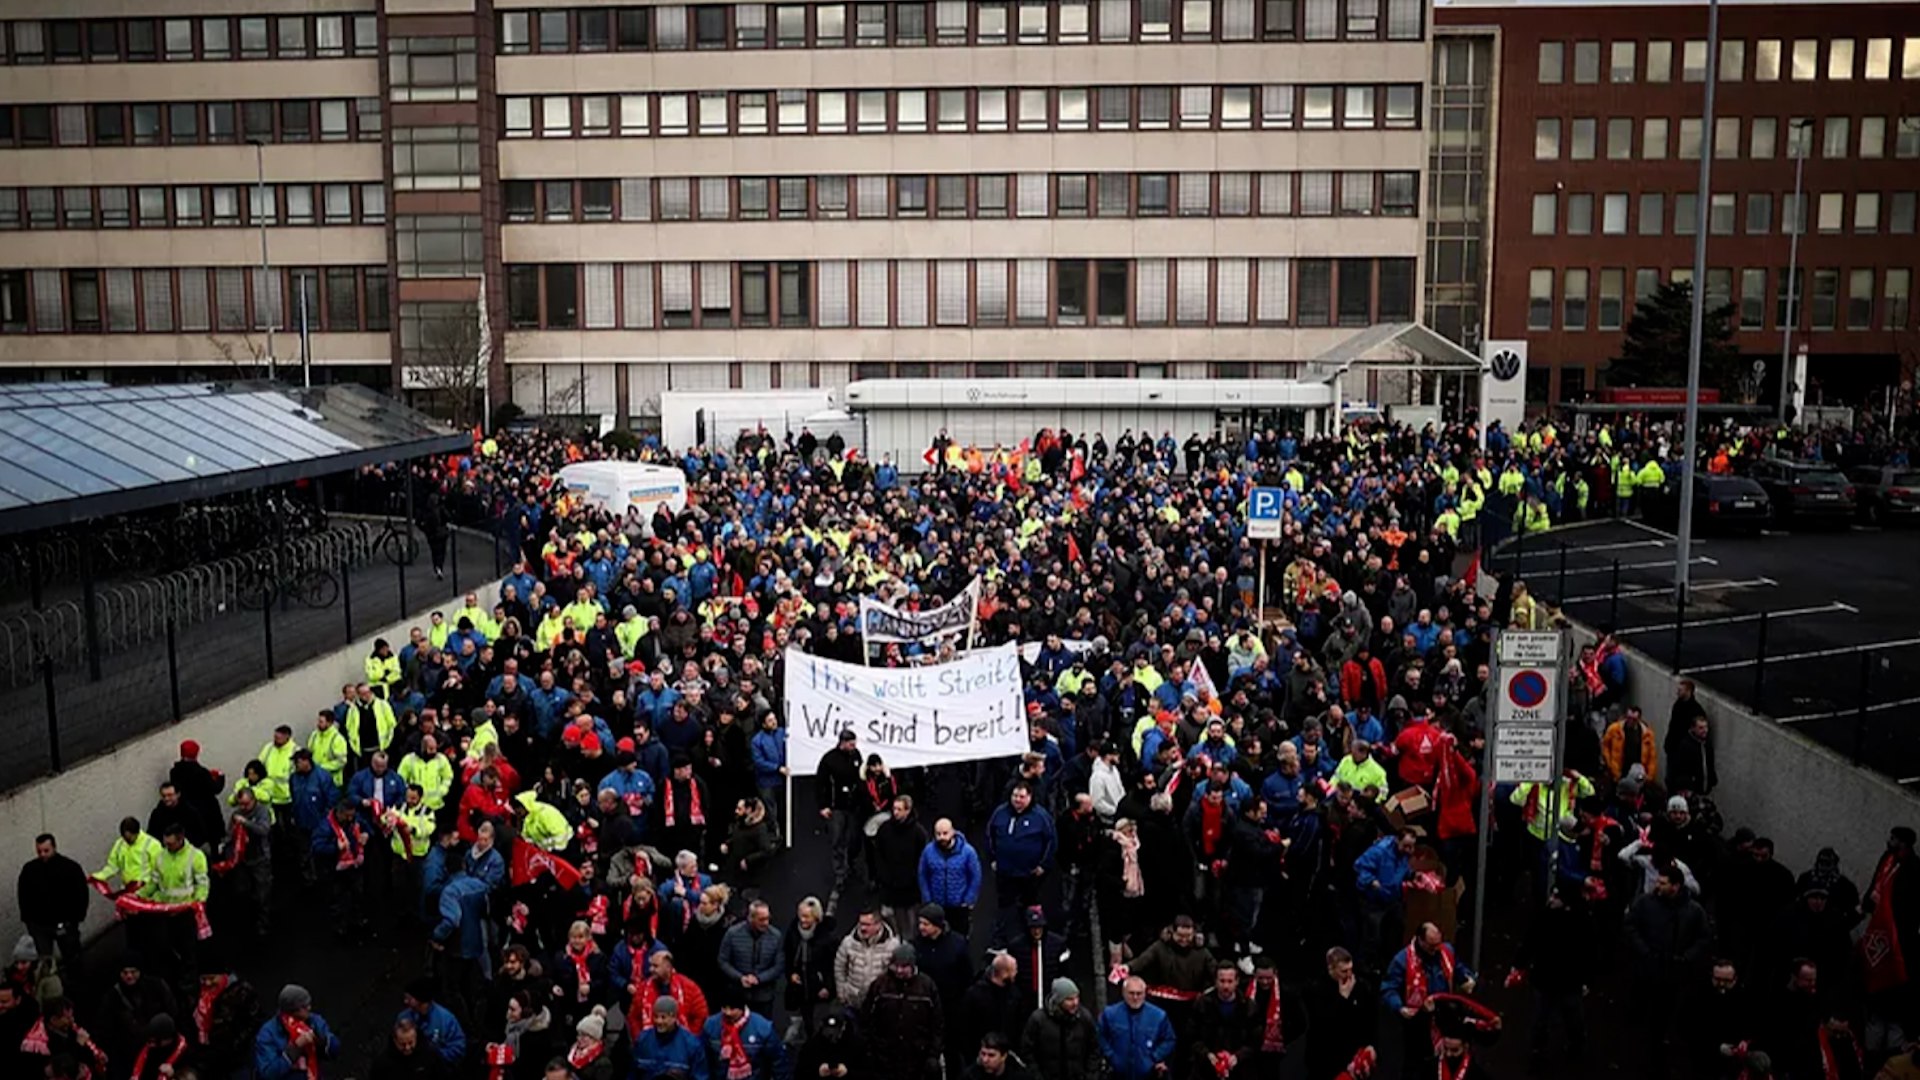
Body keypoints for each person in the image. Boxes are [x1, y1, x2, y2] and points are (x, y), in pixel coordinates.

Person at [1625, 867, 1712, 1072]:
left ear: (1676, 886)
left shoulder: (1693, 910)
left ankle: (1656, 1044)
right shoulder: (1645, 903)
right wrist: (1644, 950)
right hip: (1647, 967)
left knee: (1663, 1011)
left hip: (1672, 972)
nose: (1657, 885)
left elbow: (1704, 937)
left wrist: (1687, 956)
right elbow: (1630, 927)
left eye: (1662, 883)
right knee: (1641, 1003)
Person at [1380, 923, 1476, 1078]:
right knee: (1416, 1065)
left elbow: (1458, 967)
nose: (1436, 949)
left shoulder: (1447, 951)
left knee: (1445, 1060)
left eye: (1438, 944)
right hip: (1417, 1021)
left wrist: (1466, 978)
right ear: (1420, 941)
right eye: (1432, 945)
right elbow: (1388, 988)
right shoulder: (1402, 960)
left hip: (1444, 1016)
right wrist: (1399, 1007)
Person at [858, 944, 944, 1080]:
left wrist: (933, 1054)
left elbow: (937, 1024)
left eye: (904, 967)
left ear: (913, 966)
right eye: (895, 966)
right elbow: (866, 1019)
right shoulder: (880, 985)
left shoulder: (927, 987)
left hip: (917, 1057)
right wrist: (870, 1049)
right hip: (884, 1056)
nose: (899, 971)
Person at [987, 783, 1057, 938]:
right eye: (1015, 796)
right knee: (1004, 905)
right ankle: (1002, 937)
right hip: (1005, 872)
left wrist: (1043, 865)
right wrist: (993, 858)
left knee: (1030, 904)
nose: (1017, 800)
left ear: (1030, 797)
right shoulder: (1000, 813)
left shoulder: (1041, 816)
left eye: (1021, 797)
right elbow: (989, 835)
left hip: (1029, 874)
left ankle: (1031, 933)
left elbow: (1051, 841)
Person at [17, 834, 88, 968]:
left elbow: (81, 894)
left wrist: (75, 919)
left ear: (54, 848)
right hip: (40, 926)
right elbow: (23, 895)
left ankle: (74, 984)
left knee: (72, 959)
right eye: (39, 851)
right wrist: (29, 921)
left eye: (46, 850)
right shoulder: (30, 870)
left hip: (65, 924)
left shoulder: (70, 868)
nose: (42, 854)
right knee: (45, 964)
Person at [816, 729, 866, 909]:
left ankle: (850, 863)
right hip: (836, 806)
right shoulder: (829, 759)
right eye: (851, 744)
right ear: (842, 743)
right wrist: (823, 805)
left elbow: (860, 776)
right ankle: (840, 873)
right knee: (837, 839)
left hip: (853, 806)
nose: (854, 747)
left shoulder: (856, 755)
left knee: (853, 838)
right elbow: (820, 783)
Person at [1306, 948, 1372, 1080]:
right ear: (1331, 968)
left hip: (1352, 1055)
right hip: (1325, 1057)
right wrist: (1343, 999)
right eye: (1344, 971)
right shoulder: (1314, 989)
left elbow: (1369, 1018)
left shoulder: (1361, 986)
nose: (1349, 974)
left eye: (1350, 969)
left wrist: (1371, 1044)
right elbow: (1322, 1024)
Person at [253, 984, 340, 1080]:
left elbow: (334, 1048)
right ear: (292, 1010)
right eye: (304, 1006)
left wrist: (320, 1040)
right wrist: (295, 1049)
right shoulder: (268, 1034)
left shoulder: (313, 1021)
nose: (309, 1008)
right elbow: (268, 1073)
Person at [1098, 975, 1176, 1080]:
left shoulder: (1158, 1016)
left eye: (1139, 993)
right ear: (1124, 993)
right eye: (1131, 993)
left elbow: (1169, 1039)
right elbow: (1099, 1036)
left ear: (1145, 994)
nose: (1135, 997)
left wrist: (1155, 1057)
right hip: (1118, 1073)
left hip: (1148, 1073)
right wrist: (1111, 1055)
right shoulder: (1110, 1014)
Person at [700, 985, 786, 1080]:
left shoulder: (763, 1027)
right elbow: (702, 1061)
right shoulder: (711, 1025)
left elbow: (778, 1063)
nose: (728, 1012)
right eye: (724, 1007)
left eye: (732, 1008)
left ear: (742, 1007)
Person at [717, 899, 785, 1015]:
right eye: (761, 920)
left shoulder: (776, 936)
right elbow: (723, 961)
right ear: (751, 918)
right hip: (738, 995)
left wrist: (759, 979)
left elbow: (779, 965)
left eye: (768, 918)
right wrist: (740, 977)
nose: (766, 923)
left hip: (764, 996)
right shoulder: (733, 934)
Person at [1022, 977, 1099, 1080]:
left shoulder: (1084, 1018)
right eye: (1069, 999)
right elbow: (1027, 1051)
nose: (1075, 1003)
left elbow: (1094, 1049)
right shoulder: (1038, 1020)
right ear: (1058, 1000)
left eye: (1077, 998)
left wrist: (1090, 1075)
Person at [918, 818, 982, 937]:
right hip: (936, 905)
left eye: (945, 833)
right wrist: (927, 899)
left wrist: (969, 899)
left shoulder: (967, 851)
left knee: (960, 937)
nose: (942, 837)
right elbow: (922, 874)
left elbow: (975, 876)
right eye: (938, 834)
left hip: (959, 905)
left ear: (953, 832)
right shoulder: (928, 851)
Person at [631, 996, 707, 1080]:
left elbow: (700, 1076)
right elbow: (632, 1074)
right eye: (656, 1016)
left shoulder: (691, 1045)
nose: (659, 1021)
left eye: (663, 1017)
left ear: (674, 1017)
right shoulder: (643, 1040)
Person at [399, 977, 468, 1066]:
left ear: (420, 1000)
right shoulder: (403, 1017)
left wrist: (436, 1056)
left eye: (409, 998)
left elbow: (459, 1048)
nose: (405, 1001)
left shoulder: (446, 1019)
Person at [372, 1016, 455, 1080]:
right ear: (395, 1041)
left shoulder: (431, 1056)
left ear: (416, 1038)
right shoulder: (382, 1064)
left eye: (410, 1043)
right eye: (402, 1044)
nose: (407, 1047)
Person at [963, 1031, 1037, 1080]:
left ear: (1004, 1056)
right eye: (983, 1054)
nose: (985, 1060)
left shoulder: (1020, 1076)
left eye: (991, 1055)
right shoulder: (970, 1076)